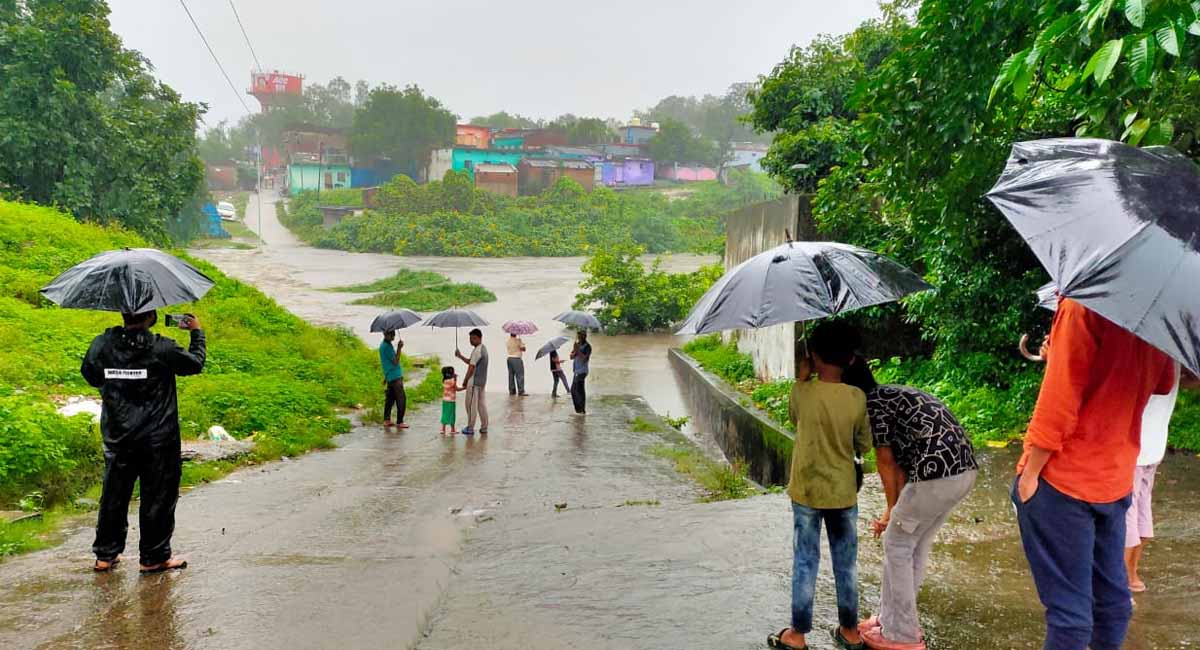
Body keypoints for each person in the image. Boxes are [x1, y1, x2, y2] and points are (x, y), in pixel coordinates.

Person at [1014, 298, 1174, 650]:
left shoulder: (1083, 303)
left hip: (1064, 478)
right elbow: (1163, 382)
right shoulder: (1158, 307)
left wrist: (1030, 474)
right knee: (1112, 603)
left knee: (1069, 614)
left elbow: (1060, 399)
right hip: (1116, 477)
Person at [842, 359, 978, 650]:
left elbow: (886, 462)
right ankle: (891, 620)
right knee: (911, 543)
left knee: (898, 543)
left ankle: (901, 634)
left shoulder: (874, 404)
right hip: (961, 472)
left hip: (937, 474)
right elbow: (902, 465)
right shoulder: (891, 394)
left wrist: (892, 510)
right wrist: (893, 510)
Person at [769, 321, 871, 650]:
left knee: (805, 560)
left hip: (806, 492)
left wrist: (802, 377)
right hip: (842, 492)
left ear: (813, 356)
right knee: (846, 562)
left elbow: (794, 417)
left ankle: (797, 636)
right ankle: (850, 631)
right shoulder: (857, 397)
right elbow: (865, 444)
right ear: (849, 359)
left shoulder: (803, 392)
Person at [81, 310, 206, 574]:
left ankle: (105, 555)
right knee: (158, 497)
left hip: (119, 434)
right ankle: (154, 557)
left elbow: (91, 375)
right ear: (151, 316)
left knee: (114, 494)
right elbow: (194, 363)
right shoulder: (162, 347)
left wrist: (117, 380)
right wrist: (196, 332)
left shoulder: (102, 344)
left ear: (123, 314)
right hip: (158, 438)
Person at [1126, 362, 1183, 594]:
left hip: (1133, 445)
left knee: (1124, 515)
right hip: (1154, 444)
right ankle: (1132, 575)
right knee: (1140, 509)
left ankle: (1121, 582)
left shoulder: (1149, 346)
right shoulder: (1178, 351)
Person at [455, 328, 489, 435]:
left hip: (474, 382)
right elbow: (471, 362)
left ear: (480, 338)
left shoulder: (477, 351)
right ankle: (484, 427)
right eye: (470, 338)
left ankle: (470, 427)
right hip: (482, 382)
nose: (471, 341)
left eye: (474, 338)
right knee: (481, 405)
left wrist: (465, 381)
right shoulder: (483, 349)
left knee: (470, 405)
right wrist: (460, 356)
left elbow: (471, 368)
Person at [379, 330, 407, 429]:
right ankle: (400, 422)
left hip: (390, 376)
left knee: (390, 399)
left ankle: (386, 420)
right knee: (401, 398)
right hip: (395, 376)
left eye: (394, 334)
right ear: (386, 335)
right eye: (392, 335)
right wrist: (399, 348)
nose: (394, 337)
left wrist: (385, 377)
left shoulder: (384, 345)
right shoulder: (387, 347)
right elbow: (395, 362)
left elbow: (386, 363)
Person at [569, 330, 592, 415]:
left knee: (579, 389)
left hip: (582, 371)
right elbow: (571, 357)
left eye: (580, 336)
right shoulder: (577, 345)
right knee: (573, 390)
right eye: (578, 336)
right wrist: (574, 351)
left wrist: (578, 350)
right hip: (576, 370)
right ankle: (578, 410)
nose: (578, 337)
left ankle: (582, 410)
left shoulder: (588, 347)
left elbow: (585, 359)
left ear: (584, 337)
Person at [440, 366, 461, 435]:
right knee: (452, 415)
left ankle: (443, 429)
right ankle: (452, 429)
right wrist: (465, 387)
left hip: (445, 401)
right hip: (451, 401)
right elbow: (456, 388)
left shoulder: (444, 380)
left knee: (445, 414)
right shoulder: (452, 381)